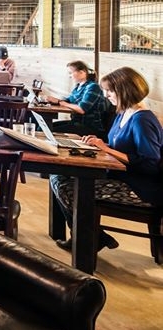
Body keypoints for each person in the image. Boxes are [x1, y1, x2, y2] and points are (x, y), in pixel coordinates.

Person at [50, 66, 163, 252]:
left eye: (110, 91)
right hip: (119, 176)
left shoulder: (142, 120)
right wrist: (98, 144)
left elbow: (150, 163)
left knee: (69, 186)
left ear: (125, 91)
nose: (106, 95)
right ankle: (93, 236)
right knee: (59, 177)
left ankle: (88, 238)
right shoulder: (124, 113)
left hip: (139, 187)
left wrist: (104, 148)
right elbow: (116, 146)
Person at [45, 61, 110, 137]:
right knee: (44, 128)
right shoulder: (78, 87)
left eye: (71, 73)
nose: (70, 76)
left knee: (48, 131)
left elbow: (82, 109)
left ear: (82, 72)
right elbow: (69, 100)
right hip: (76, 123)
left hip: (89, 127)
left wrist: (62, 103)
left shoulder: (93, 87)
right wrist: (55, 100)